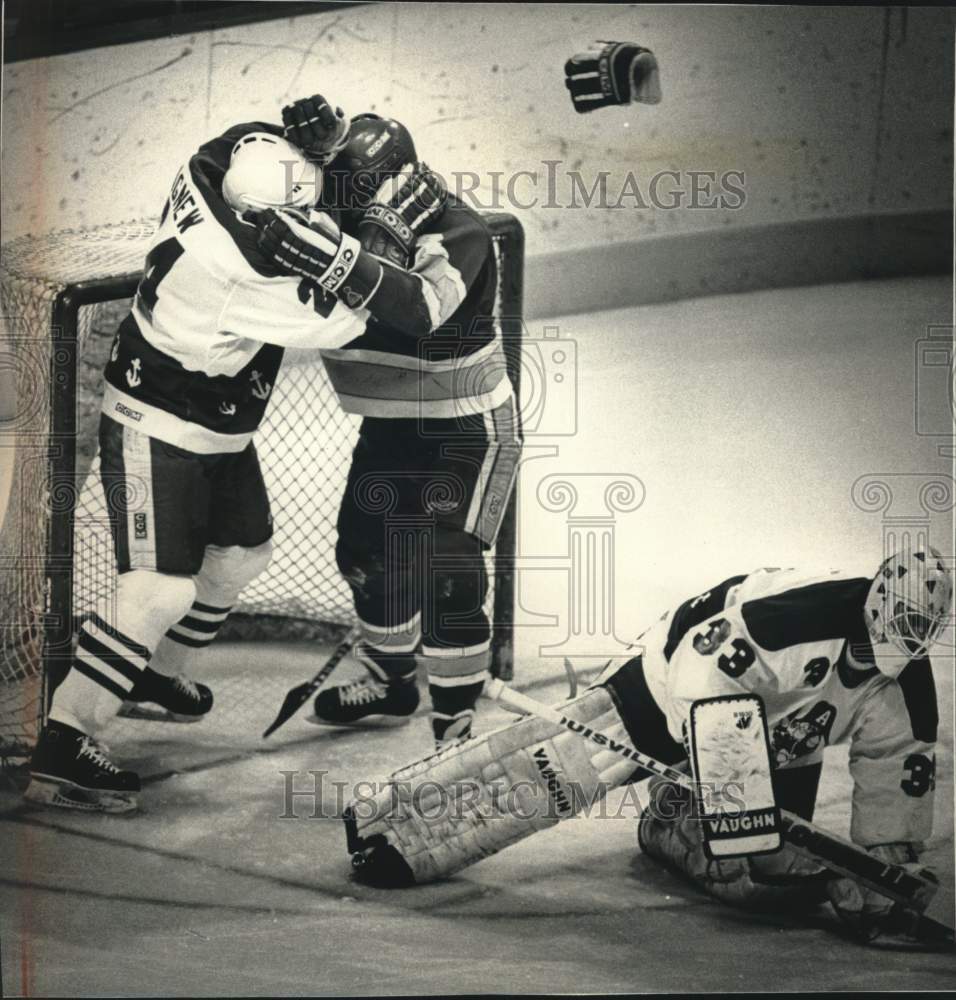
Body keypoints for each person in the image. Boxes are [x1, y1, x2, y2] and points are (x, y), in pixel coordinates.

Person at [25, 97, 372, 812]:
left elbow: (262, 145)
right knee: (160, 591)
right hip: (159, 424)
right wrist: (370, 240)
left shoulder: (222, 161)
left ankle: (154, 670)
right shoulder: (233, 272)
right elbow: (353, 314)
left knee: (243, 552)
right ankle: (65, 742)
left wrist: (314, 155)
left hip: (214, 420)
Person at [345, 548, 953, 947]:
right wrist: (730, 782)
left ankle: (671, 818)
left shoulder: (906, 685)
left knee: (763, 878)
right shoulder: (792, 616)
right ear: (874, 602)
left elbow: (896, 771)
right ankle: (390, 825)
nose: (893, 649)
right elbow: (703, 664)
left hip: (779, 737)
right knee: (552, 771)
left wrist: (889, 868)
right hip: (673, 685)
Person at [256, 110, 521, 748]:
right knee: (366, 556)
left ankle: (454, 728)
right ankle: (393, 680)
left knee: (447, 568)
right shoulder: (325, 225)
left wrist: (360, 246)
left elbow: (419, 312)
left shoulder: (455, 230)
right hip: (389, 426)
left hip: (466, 427)